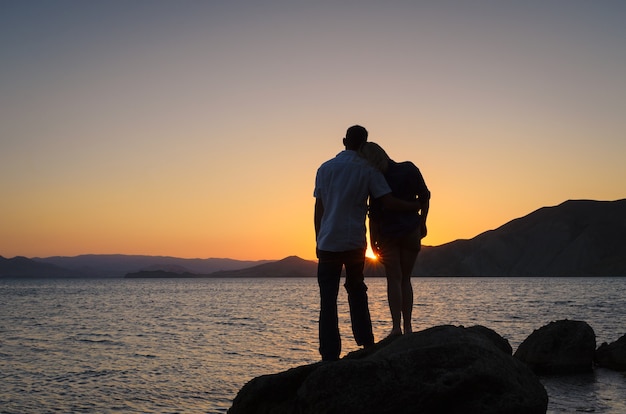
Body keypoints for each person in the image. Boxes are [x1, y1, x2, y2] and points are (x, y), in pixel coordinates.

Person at [313, 125, 421, 361]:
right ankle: (366, 343)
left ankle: (329, 355)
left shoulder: (324, 168)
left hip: (328, 241)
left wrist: (317, 238)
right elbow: (388, 202)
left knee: (327, 300)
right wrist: (415, 207)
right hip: (353, 241)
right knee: (357, 291)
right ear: (364, 143)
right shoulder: (368, 169)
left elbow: (319, 208)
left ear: (344, 141)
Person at [359, 142, 430, 337]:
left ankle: (396, 327)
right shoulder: (409, 168)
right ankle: (408, 327)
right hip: (411, 231)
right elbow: (425, 197)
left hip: (387, 234)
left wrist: (372, 240)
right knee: (405, 279)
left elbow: (373, 213)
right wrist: (422, 222)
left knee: (394, 279)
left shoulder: (375, 177)